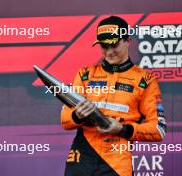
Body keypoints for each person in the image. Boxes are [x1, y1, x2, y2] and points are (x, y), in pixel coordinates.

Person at [60, 16, 167, 176]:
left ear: (128, 41)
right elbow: (65, 120)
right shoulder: (85, 75)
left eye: (114, 44)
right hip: (82, 156)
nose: (109, 51)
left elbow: (159, 130)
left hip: (117, 161)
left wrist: (122, 129)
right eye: (104, 45)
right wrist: (77, 115)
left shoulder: (145, 80)